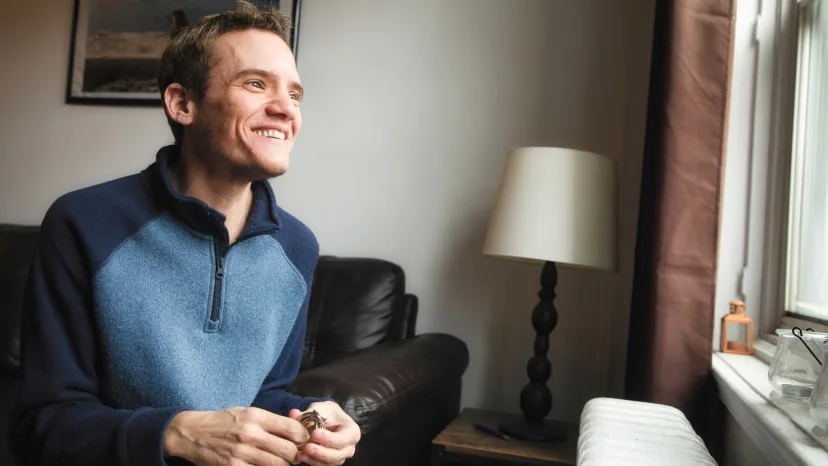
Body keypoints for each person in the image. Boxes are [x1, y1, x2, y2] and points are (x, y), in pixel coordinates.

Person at [9, 1, 360, 465]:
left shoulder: (298, 247)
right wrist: (175, 433)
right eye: (256, 84)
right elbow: (44, 424)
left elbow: (266, 395)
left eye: (294, 95)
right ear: (182, 104)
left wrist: (308, 422)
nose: (285, 109)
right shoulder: (83, 222)